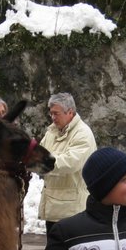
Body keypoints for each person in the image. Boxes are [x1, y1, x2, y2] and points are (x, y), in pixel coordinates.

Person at [38, 92, 96, 232]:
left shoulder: (83, 134)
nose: (52, 118)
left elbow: (70, 162)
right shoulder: (51, 132)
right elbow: (39, 152)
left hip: (72, 211)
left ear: (70, 112)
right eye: (51, 114)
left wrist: (41, 161)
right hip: (53, 209)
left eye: (56, 114)